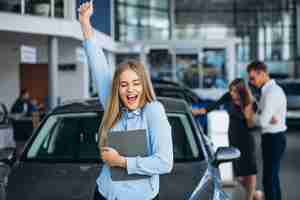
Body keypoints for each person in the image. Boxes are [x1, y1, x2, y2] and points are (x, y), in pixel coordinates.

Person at [78, 2, 173, 200]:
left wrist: (121, 162)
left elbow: (164, 162)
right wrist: (85, 22)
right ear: (117, 88)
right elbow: (98, 64)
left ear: (144, 85)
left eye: (136, 83)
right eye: (124, 84)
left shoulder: (153, 111)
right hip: (105, 194)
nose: (130, 89)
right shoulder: (113, 105)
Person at [192, 78, 260, 200]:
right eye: (231, 90)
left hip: (246, 139)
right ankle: (254, 193)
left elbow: (251, 125)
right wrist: (198, 111)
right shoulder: (228, 97)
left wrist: (247, 110)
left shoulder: (251, 102)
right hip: (233, 137)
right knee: (239, 175)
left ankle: (249, 197)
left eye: (234, 91)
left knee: (250, 171)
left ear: (241, 91)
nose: (232, 93)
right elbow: (213, 105)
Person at [245, 61, 287, 200]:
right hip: (272, 137)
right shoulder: (267, 91)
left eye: (252, 78)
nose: (251, 81)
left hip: (274, 139)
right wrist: (263, 117)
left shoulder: (272, 92)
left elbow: (262, 121)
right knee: (272, 178)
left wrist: (252, 118)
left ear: (262, 73)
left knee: (269, 180)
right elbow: (263, 116)